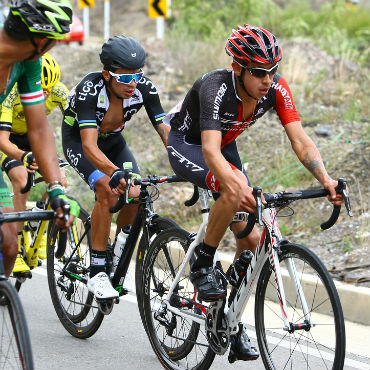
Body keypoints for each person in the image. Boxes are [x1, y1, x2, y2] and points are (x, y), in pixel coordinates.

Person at [165, 24, 345, 363]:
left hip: (224, 146)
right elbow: (210, 150)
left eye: (273, 70)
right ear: (237, 67)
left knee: (252, 241)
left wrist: (325, 178)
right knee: (234, 191)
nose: (268, 79)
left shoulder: (274, 88)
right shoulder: (215, 87)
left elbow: (299, 138)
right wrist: (236, 186)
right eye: (259, 72)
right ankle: (203, 263)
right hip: (190, 146)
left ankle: (228, 320)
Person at [62, 35, 169, 299]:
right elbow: (89, 146)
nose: (132, 83)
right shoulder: (90, 89)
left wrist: (190, 164)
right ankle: (97, 271)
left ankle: (117, 252)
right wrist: (112, 172)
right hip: (81, 142)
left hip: (113, 142)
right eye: (123, 78)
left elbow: (166, 131)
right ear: (106, 74)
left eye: (136, 75)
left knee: (136, 191)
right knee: (107, 190)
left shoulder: (142, 87)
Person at [0, 0, 79, 277]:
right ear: (41, 39)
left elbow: (39, 128)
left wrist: (55, 188)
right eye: (56, 41)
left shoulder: (28, 63)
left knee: (9, 243)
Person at [0, 53, 69, 273]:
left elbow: (75, 127)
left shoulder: (58, 91)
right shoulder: (12, 92)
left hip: (32, 139)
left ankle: (37, 226)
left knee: (60, 179)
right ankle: (19, 245)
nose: (46, 94)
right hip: (8, 138)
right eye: (43, 90)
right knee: (22, 181)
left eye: (49, 90)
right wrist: (22, 157)